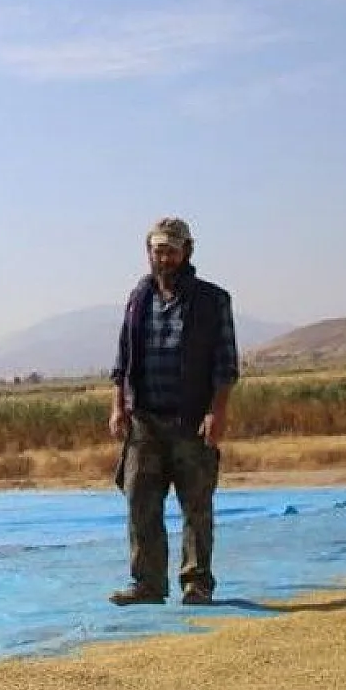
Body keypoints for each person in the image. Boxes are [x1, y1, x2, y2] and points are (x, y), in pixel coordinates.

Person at [107, 217, 238, 607]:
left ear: (187, 252)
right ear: (148, 252)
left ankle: (197, 583)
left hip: (191, 420)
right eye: (157, 250)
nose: (163, 258)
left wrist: (218, 412)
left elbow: (226, 364)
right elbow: (123, 361)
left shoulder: (212, 301)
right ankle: (148, 584)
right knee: (140, 503)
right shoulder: (138, 298)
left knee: (195, 505)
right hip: (144, 421)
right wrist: (118, 408)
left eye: (171, 250)